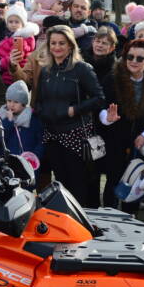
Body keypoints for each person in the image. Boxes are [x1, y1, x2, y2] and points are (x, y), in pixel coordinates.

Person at [30, 25, 105, 207]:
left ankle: (81, 223)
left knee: (78, 183)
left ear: (70, 45)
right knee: (61, 183)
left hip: (75, 135)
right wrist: (43, 112)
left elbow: (99, 98)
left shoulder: (81, 69)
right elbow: (38, 100)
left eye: (61, 43)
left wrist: (74, 110)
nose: (57, 47)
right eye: (53, 43)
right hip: (52, 134)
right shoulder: (46, 70)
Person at [98, 39, 144, 210]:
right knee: (113, 179)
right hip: (115, 139)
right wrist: (108, 117)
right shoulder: (112, 79)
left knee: (135, 180)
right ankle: (109, 216)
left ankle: (131, 218)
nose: (134, 61)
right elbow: (99, 106)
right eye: (130, 56)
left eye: (139, 58)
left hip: (141, 143)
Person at [1, 80, 44, 170]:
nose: (11, 105)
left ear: (24, 104)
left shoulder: (33, 119)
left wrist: (35, 156)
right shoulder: (2, 117)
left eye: (16, 102)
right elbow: (0, 139)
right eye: (9, 101)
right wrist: (9, 122)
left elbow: (41, 141)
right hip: (9, 162)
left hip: (29, 163)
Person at [0, 3, 39, 85]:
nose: (13, 24)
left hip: (14, 74)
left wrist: (0, 63)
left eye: (16, 22)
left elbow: (16, 57)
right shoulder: (9, 36)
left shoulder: (22, 39)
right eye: (10, 22)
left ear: (22, 24)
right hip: (7, 73)